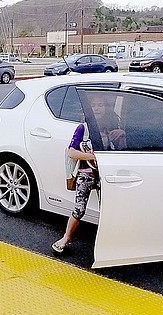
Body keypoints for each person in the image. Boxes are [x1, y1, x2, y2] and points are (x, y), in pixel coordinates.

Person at [52, 93, 125, 254]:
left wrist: (121, 136)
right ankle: (66, 237)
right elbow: (72, 152)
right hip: (86, 172)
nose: (98, 108)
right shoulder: (83, 128)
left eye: (101, 105)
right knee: (79, 209)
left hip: (105, 174)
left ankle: (111, 241)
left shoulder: (110, 126)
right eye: (94, 105)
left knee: (109, 207)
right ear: (88, 109)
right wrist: (92, 156)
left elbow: (120, 151)